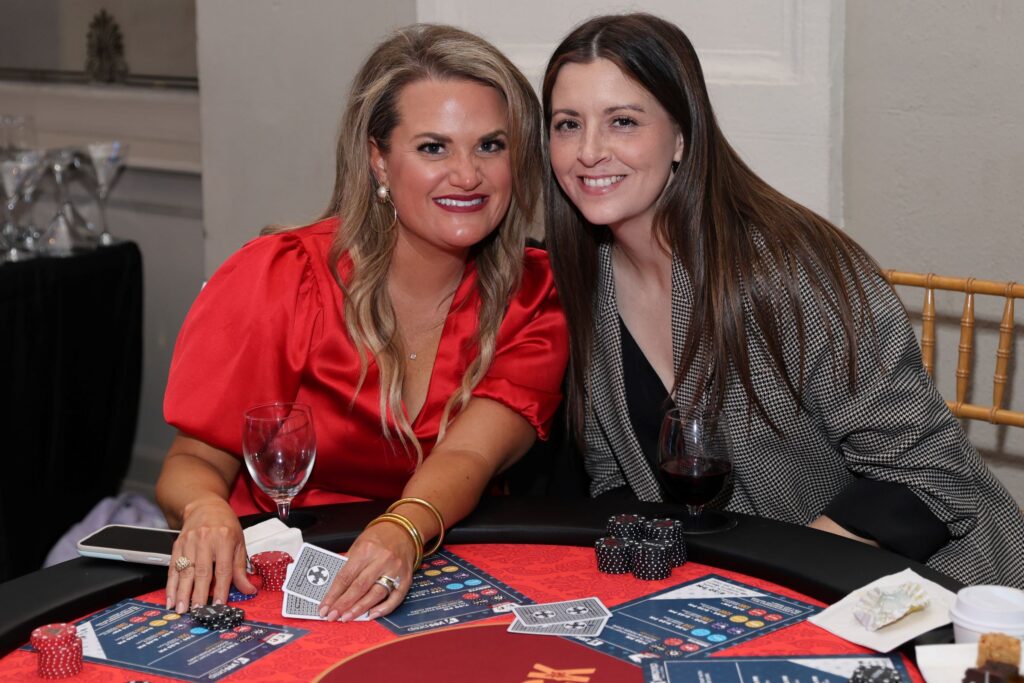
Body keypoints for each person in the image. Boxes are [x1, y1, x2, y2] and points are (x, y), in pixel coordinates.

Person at [541, 12, 1024, 587]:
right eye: (567, 124)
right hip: (740, 583)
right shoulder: (580, 273)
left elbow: (926, 476)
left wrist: (770, 582)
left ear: (681, 137)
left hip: (936, 591)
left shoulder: (790, 268)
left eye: (622, 121)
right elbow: (611, 474)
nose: (589, 151)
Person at [156, 24, 568, 621]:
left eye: (490, 146)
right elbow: (190, 464)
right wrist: (203, 510)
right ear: (378, 159)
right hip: (271, 575)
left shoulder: (535, 295)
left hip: (441, 554)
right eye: (433, 147)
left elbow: (469, 459)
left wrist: (402, 528)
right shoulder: (281, 277)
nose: (468, 174)